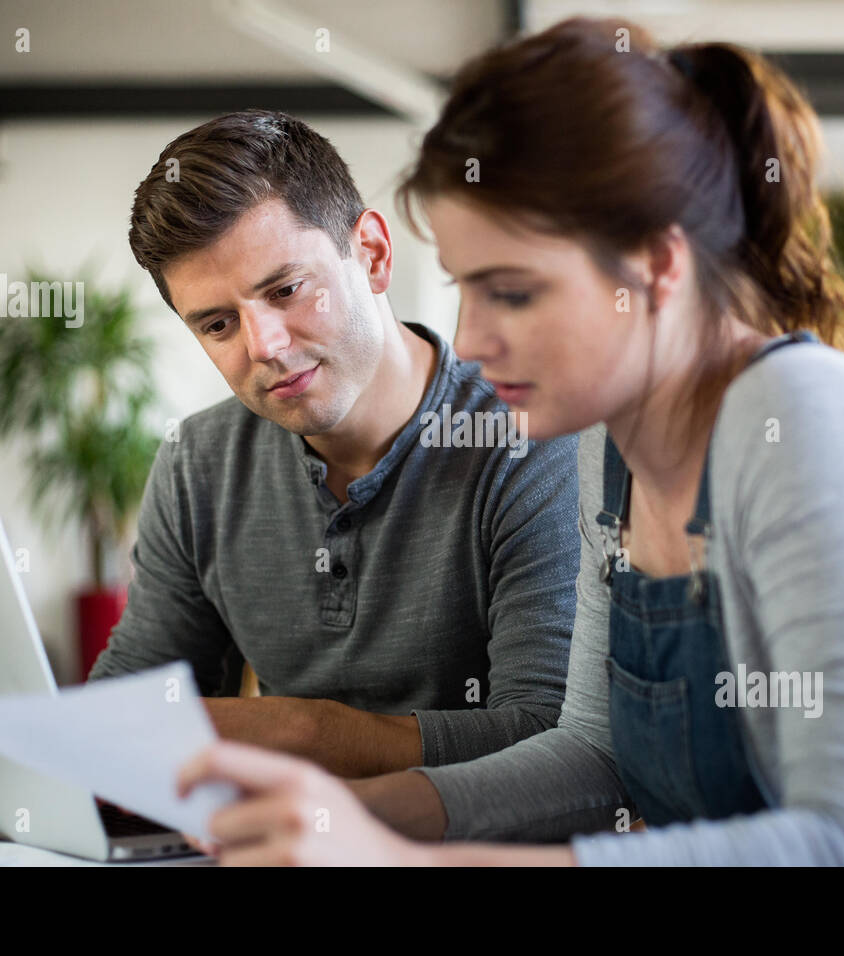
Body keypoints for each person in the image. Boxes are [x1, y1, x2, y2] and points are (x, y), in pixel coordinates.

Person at [175, 19, 844, 865]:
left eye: (512, 292)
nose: (472, 339)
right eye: (463, 290)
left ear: (657, 264)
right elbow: (594, 756)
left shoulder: (801, 419)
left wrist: (404, 860)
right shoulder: (609, 449)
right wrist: (345, 819)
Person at [90, 109, 581, 779]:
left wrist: (305, 731)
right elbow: (128, 706)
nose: (264, 346)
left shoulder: (530, 440)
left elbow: (552, 740)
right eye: (217, 324)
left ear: (372, 254)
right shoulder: (198, 462)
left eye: (287, 289)